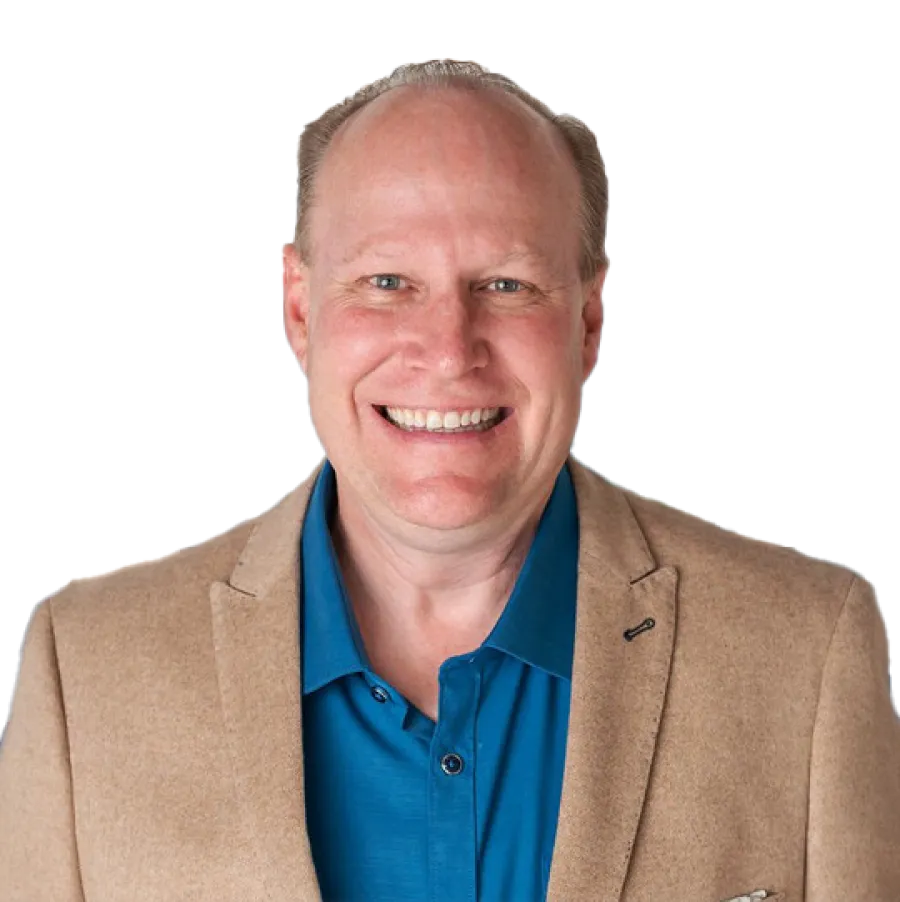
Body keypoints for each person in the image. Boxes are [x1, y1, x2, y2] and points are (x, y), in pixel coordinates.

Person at [1, 58, 897, 902]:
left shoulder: (808, 655)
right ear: (301, 310)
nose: (447, 349)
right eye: (387, 281)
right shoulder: (87, 671)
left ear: (590, 321)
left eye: (506, 284)